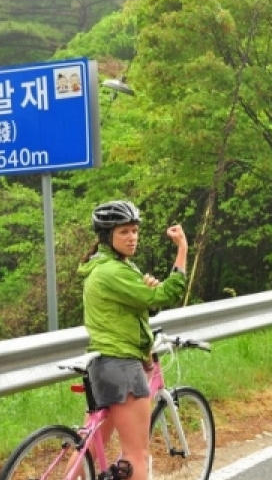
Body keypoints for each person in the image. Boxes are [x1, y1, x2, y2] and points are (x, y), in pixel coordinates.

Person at [76, 200, 188, 480]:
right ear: (107, 236)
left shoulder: (105, 266)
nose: (132, 237)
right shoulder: (114, 271)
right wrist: (182, 250)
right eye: (124, 231)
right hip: (122, 365)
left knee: (87, 450)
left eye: (135, 230)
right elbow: (163, 297)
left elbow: (146, 304)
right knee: (136, 455)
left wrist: (147, 293)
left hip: (103, 365)